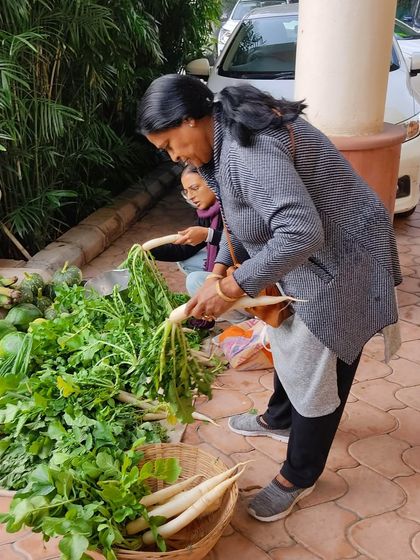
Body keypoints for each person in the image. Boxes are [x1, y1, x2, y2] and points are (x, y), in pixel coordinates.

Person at [137, 74, 401, 521]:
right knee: (287, 338)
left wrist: (233, 289)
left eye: (169, 144)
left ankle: (299, 474)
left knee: (321, 359)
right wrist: (220, 267)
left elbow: (300, 231)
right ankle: (280, 418)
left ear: (189, 119)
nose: (174, 157)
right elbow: (239, 216)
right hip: (313, 250)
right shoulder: (219, 141)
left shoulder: (248, 148)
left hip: (346, 254)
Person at [150, 164, 223, 329]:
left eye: (195, 188)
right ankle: (214, 301)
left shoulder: (231, 207)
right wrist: (149, 251)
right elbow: (185, 249)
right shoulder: (208, 213)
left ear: (213, 182)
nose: (190, 197)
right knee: (187, 261)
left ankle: (230, 314)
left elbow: (242, 243)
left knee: (194, 280)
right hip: (223, 267)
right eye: (186, 191)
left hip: (243, 275)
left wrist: (208, 234)